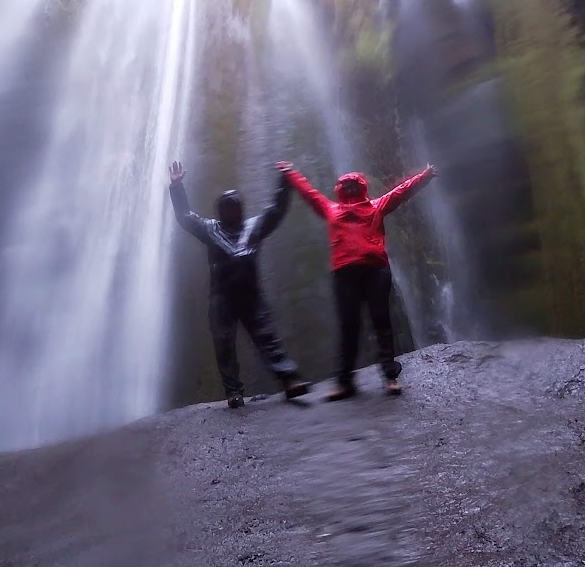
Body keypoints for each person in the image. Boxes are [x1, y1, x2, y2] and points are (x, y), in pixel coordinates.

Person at [277, 160, 437, 400]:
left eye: (353, 185)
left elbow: (401, 192)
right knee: (348, 326)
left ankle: (390, 378)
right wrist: (291, 173)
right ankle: (345, 382)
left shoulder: (375, 207)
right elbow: (309, 193)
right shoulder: (332, 209)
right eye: (346, 186)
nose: (350, 189)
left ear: (360, 188)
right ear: (341, 190)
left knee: (381, 322)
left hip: (374, 270)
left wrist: (425, 176)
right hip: (345, 273)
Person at [168, 160, 311, 409]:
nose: (232, 210)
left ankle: (289, 379)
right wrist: (177, 185)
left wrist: (285, 181)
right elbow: (185, 217)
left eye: (235, 206)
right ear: (220, 211)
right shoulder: (210, 229)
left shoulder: (253, 227)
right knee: (223, 343)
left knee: (267, 338)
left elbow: (275, 210)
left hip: (250, 295)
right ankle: (233, 391)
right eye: (228, 207)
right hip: (221, 298)